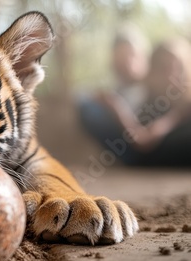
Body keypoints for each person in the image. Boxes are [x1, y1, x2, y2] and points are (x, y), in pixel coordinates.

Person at [79, 34, 191, 166]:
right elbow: (142, 141)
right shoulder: (154, 104)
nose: (171, 74)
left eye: (177, 67)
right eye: (163, 68)